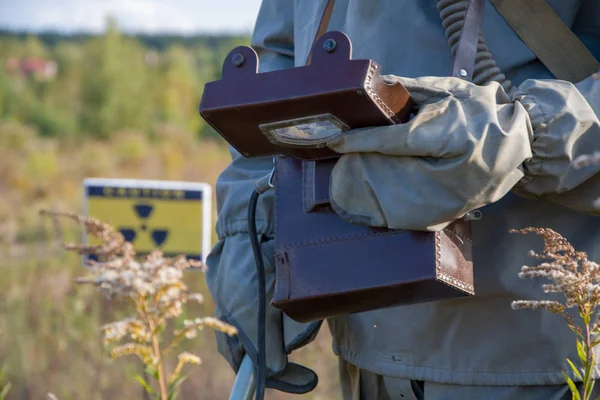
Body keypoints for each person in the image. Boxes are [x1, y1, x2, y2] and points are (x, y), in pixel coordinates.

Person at [205, 1, 600, 399]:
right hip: (370, 347)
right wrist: (250, 227)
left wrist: (529, 134)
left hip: (553, 354)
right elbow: (282, 58)